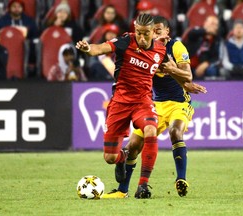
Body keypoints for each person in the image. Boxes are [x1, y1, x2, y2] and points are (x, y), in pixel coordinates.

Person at [76, 13, 192, 198]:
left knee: (151, 130)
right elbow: (100, 48)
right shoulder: (126, 41)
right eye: (138, 33)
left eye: (146, 33)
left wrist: (183, 80)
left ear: (153, 32)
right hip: (119, 103)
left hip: (143, 102)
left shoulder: (161, 50)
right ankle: (122, 158)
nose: (142, 38)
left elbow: (180, 75)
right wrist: (88, 47)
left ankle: (143, 186)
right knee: (110, 158)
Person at [102, 16, 207, 199]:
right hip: (155, 103)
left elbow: (187, 75)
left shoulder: (176, 47)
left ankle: (181, 179)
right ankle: (122, 190)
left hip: (178, 103)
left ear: (167, 32)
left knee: (175, 132)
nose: (155, 34)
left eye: (159, 31)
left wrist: (176, 74)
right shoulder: (144, 49)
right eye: (153, 31)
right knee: (133, 146)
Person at [0, 0, 38, 76]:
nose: (17, 9)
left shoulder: (29, 21)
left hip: (24, 49)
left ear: (22, 8)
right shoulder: (1, 21)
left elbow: (35, 37)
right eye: (14, 6)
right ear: (9, 8)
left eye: (19, 7)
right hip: (6, 48)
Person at [184, 15, 221, 79]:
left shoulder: (217, 40)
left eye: (216, 24)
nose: (213, 26)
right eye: (212, 23)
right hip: (188, 64)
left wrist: (206, 64)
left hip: (203, 66)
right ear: (205, 23)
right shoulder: (197, 33)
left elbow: (216, 57)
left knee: (212, 70)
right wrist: (205, 31)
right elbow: (191, 34)